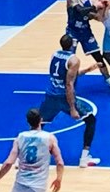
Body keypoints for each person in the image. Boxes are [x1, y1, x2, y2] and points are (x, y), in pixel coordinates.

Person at [38, 35, 102, 166]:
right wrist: (72, 108)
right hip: (64, 97)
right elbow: (69, 84)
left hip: (51, 95)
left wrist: (89, 69)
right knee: (90, 120)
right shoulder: (74, 60)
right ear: (72, 45)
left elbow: (67, 75)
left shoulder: (55, 55)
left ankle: (23, 157)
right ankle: (84, 158)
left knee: (38, 125)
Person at [66, 0, 110, 93]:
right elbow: (81, 11)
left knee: (98, 57)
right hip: (72, 32)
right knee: (69, 59)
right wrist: (94, 7)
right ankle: (68, 86)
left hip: (86, 32)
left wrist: (105, 9)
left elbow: (97, 17)